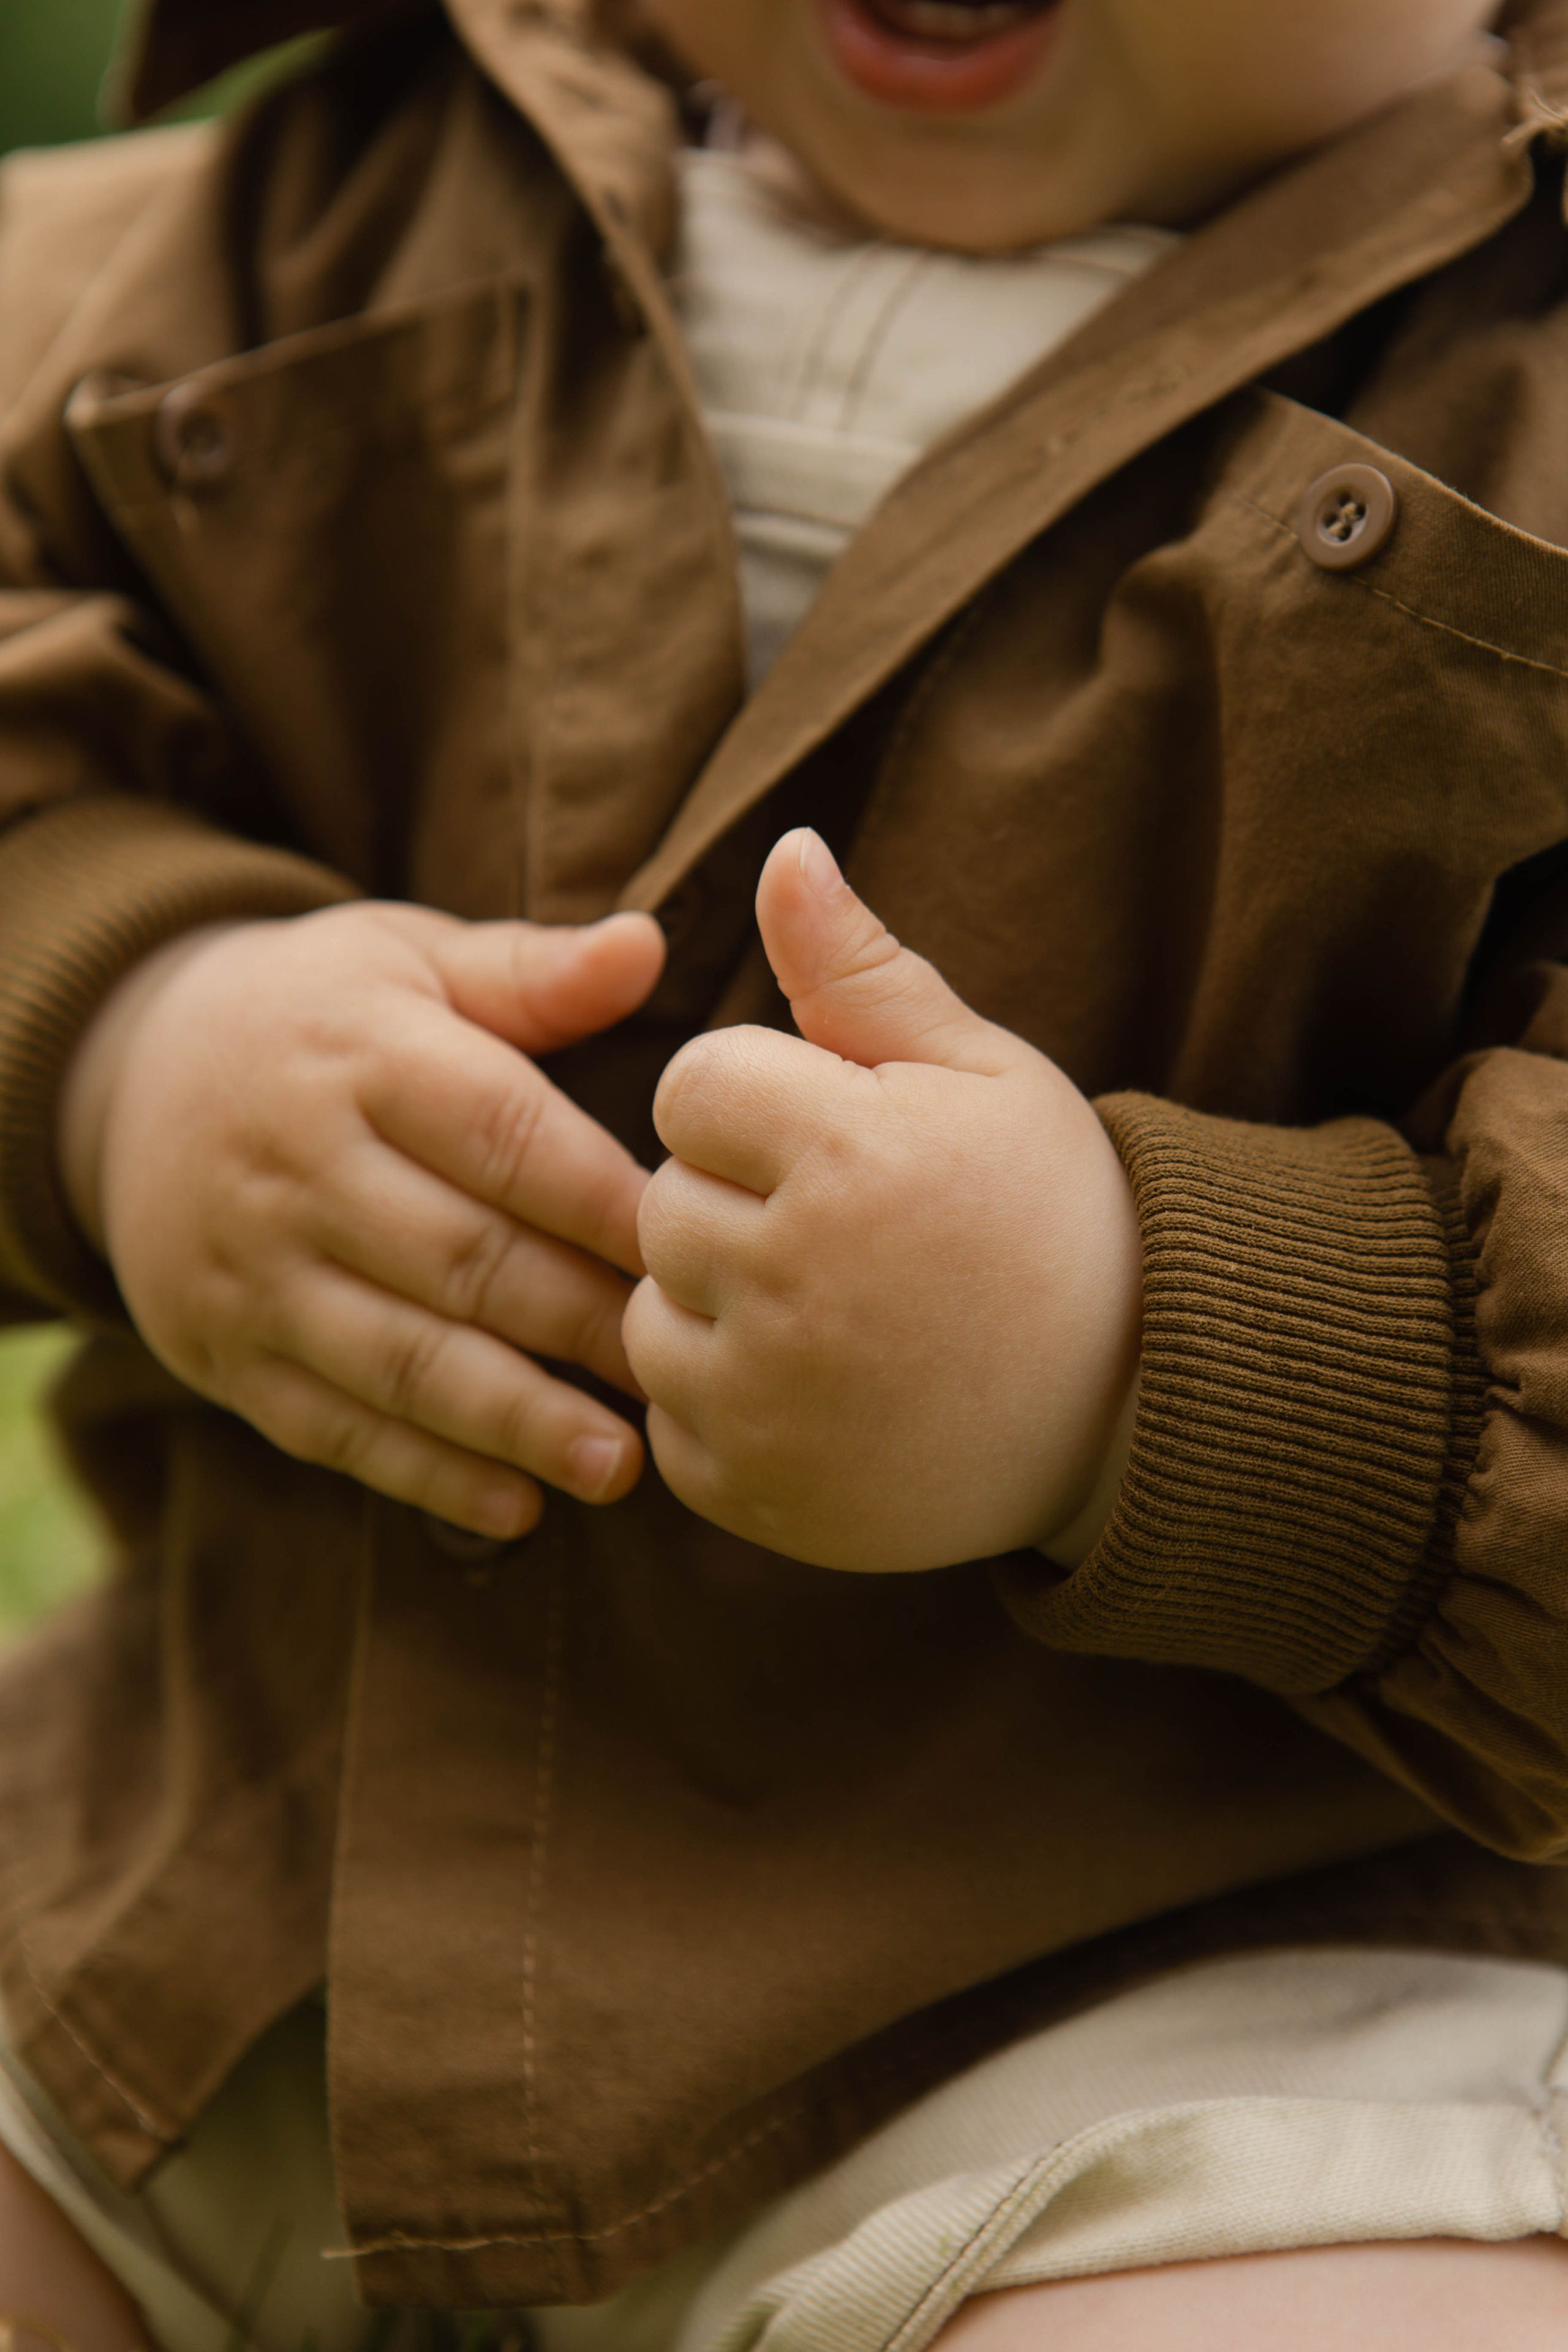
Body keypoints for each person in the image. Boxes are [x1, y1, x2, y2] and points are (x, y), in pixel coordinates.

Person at [4, 0, 1568, 2343]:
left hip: (1177, 2008)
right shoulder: (331, 191)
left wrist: (1146, 1349)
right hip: (208, 1900)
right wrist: (122, 1019)